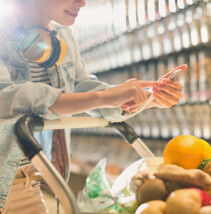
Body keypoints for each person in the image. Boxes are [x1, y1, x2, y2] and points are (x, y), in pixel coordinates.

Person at [0, 0, 184, 213]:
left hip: (25, 184)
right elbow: (6, 97)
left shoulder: (62, 35)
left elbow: (80, 87)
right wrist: (101, 97)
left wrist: (138, 97)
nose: (83, 2)